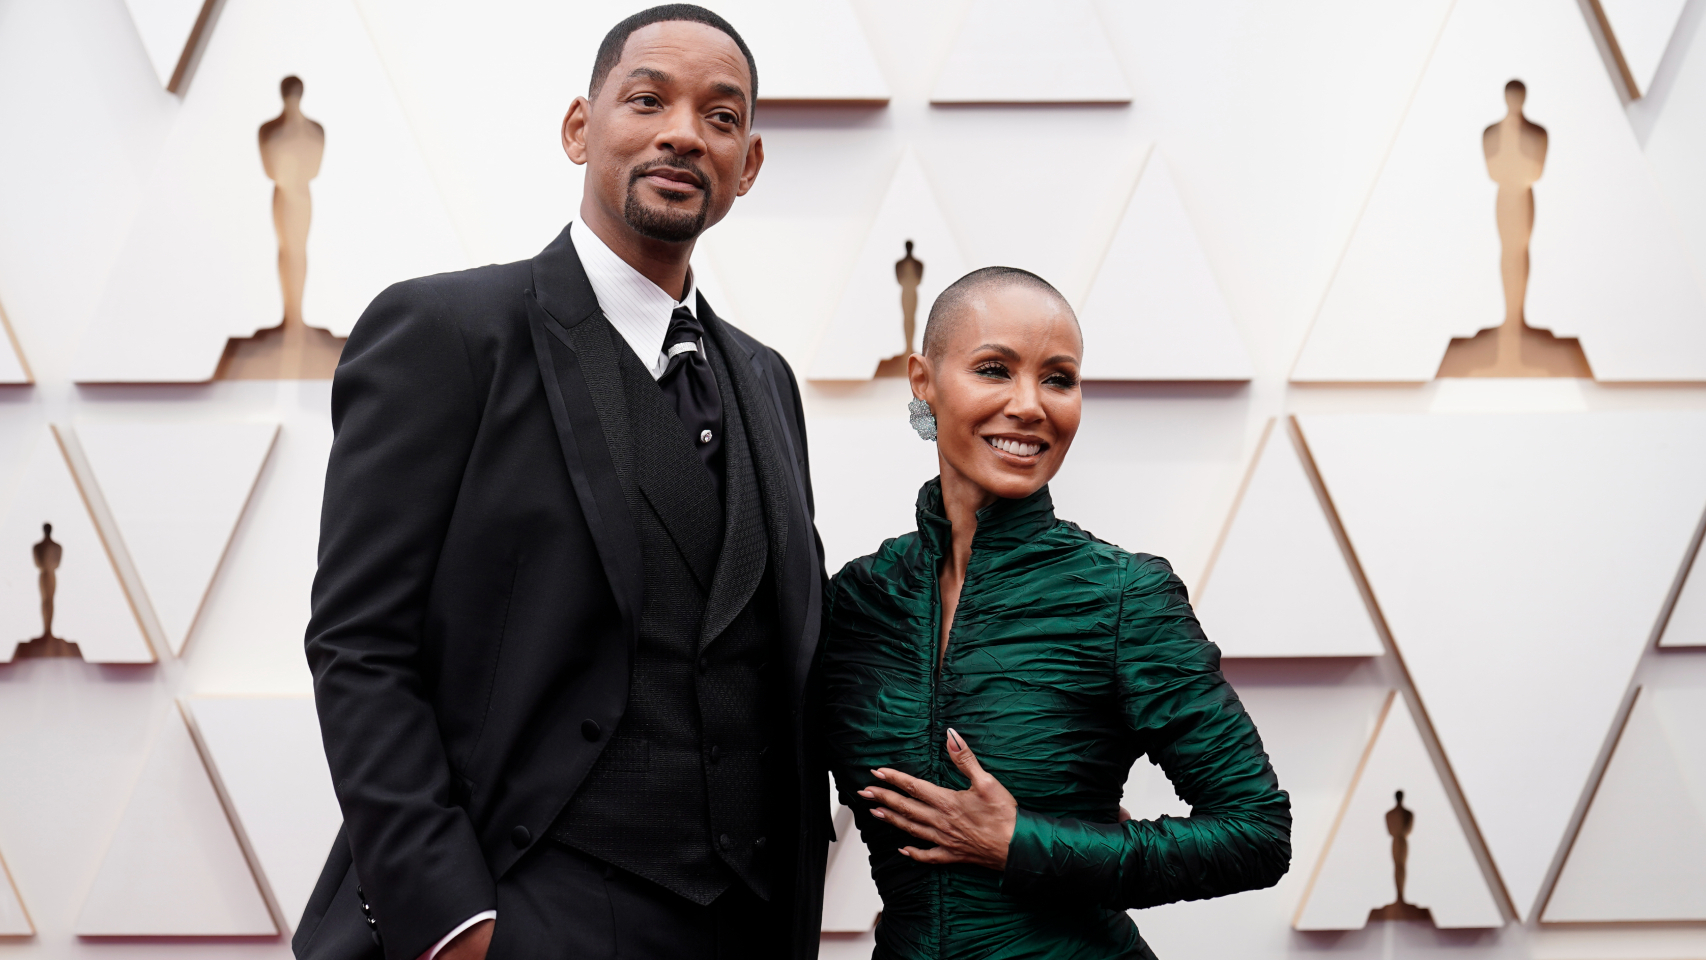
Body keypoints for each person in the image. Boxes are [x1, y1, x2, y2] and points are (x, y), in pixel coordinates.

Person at [295, 7, 828, 960]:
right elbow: (358, 645)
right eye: (647, 98)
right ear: (581, 127)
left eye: (720, 115)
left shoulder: (767, 379)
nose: (681, 132)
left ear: (746, 164)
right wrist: (450, 920)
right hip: (524, 907)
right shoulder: (448, 333)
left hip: (743, 923)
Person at [821, 267, 1291, 958]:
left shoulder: (1126, 595)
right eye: (993, 369)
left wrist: (1022, 843)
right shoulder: (855, 601)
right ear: (923, 380)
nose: (1030, 405)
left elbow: (1256, 834)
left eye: (1059, 378)